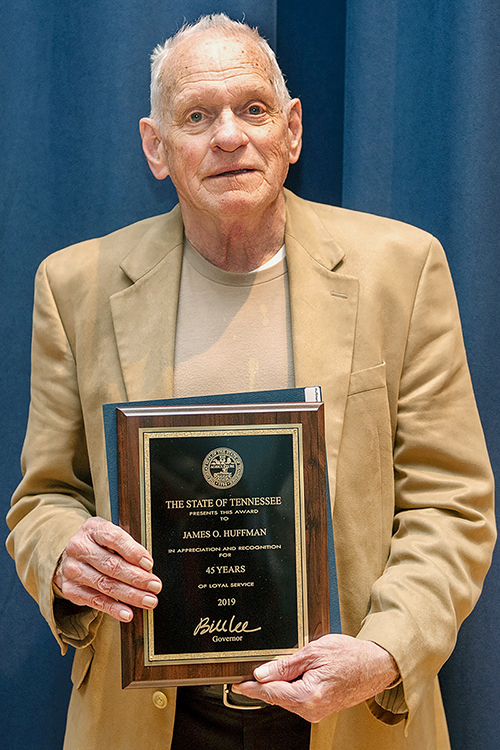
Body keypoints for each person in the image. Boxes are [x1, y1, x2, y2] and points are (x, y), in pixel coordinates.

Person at [6, 13, 495, 750]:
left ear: (292, 131)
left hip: (347, 715)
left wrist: (386, 652)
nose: (229, 136)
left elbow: (451, 502)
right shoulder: (75, 286)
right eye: (197, 116)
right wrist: (63, 554)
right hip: (149, 722)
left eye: (253, 109)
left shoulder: (404, 268)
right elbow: (44, 499)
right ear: (156, 147)